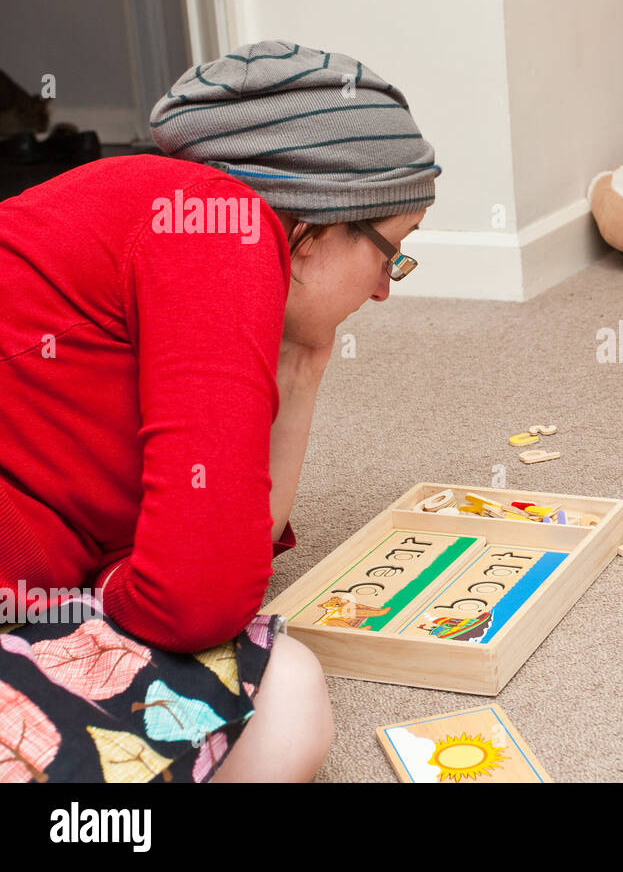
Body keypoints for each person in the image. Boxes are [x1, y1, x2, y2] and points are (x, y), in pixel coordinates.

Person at [0, 41, 439, 781]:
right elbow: (198, 598)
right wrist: (119, 585)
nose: (384, 291)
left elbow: (228, 550)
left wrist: (303, 365)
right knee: (287, 687)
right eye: (392, 252)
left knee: (276, 686)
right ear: (316, 226)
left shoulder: (173, 213)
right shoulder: (219, 229)